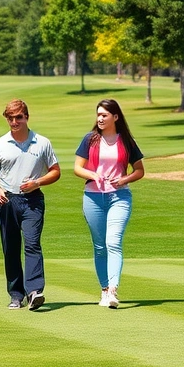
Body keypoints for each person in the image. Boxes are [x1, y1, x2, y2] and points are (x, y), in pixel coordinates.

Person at [0, 99, 60, 311]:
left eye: (19, 117)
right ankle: (16, 295)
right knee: (11, 248)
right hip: (8, 200)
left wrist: (37, 182)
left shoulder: (42, 143)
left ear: (27, 117)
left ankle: (35, 291)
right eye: (10, 118)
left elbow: (55, 171)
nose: (15, 122)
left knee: (32, 243)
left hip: (33, 201)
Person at [73, 99, 145, 309]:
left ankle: (113, 290)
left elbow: (139, 170)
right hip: (93, 197)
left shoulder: (127, 141)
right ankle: (104, 290)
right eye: (98, 115)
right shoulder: (90, 139)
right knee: (99, 246)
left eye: (104, 115)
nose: (100, 118)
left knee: (113, 241)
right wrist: (92, 174)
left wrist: (124, 179)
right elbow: (78, 167)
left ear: (116, 117)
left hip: (119, 197)